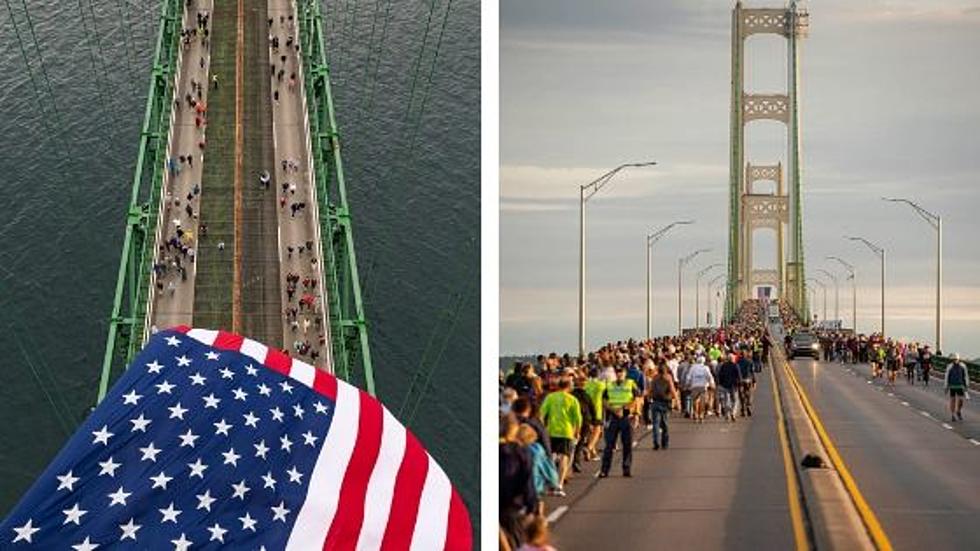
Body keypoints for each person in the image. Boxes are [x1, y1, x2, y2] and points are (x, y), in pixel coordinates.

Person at [538, 378, 581, 496]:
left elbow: (541, 414)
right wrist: (577, 432)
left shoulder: (550, 397)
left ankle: (551, 482)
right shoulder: (572, 399)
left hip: (551, 431)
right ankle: (559, 484)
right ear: (568, 386)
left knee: (550, 457)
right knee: (564, 458)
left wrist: (542, 427)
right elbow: (578, 419)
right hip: (567, 432)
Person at [500, 413, 537, 549]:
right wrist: (532, 507)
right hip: (512, 507)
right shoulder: (520, 452)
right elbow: (527, 480)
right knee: (516, 543)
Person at [599, 366, 639, 478]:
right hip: (614, 417)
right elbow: (604, 400)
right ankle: (604, 470)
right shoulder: (610, 385)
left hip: (627, 417)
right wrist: (613, 410)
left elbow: (637, 399)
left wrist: (628, 409)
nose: (619, 374)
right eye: (618, 372)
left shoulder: (631, 384)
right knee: (609, 446)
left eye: (621, 372)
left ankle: (626, 469)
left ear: (625, 373)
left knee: (627, 445)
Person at [515, 424, 558, 513]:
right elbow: (548, 470)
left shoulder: (512, 450)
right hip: (535, 489)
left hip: (516, 491)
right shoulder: (537, 450)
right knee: (538, 509)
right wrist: (554, 483)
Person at [647, 364, 677, 449]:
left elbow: (650, 390)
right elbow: (672, 390)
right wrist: (676, 401)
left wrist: (649, 398)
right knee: (665, 424)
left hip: (656, 402)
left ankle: (656, 441)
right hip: (665, 402)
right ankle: (665, 443)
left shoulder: (655, 378)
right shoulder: (668, 378)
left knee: (656, 423)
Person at [684, 355, 715, 423]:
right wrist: (711, 384)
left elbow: (688, 377)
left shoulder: (693, 367)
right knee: (702, 401)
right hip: (703, 386)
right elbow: (709, 376)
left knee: (695, 400)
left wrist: (687, 384)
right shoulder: (705, 368)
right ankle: (701, 415)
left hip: (694, 386)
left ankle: (695, 414)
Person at [944, 354, 970, 422]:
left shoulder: (963, 366)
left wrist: (966, 385)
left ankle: (958, 411)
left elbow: (965, 375)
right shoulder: (949, 366)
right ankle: (953, 415)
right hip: (952, 385)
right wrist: (946, 386)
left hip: (960, 385)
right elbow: (947, 376)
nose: (955, 361)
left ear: (958, 359)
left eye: (956, 359)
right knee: (953, 400)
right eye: (954, 359)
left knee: (961, 400)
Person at [717, 353, 741, 422]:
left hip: (725, 385)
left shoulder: (724, 365)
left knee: (727, 400)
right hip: (733, 386)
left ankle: (727, 415)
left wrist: (721, 383)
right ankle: (733, 413)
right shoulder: (735, 365)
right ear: (733, 359)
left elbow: (720, 375)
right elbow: (739, 376)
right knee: (735, 400)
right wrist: (739, 384)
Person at [736, 348, 756, 417]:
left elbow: (736, 371)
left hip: (740, 380)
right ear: (746, 354)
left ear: (741, 355)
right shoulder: (750, 361)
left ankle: (742, 409)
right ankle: (748, 406)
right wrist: (754, 381)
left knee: (741, 395)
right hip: (748, 380)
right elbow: (752, 372)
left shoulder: (738, 362)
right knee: (748, 393)